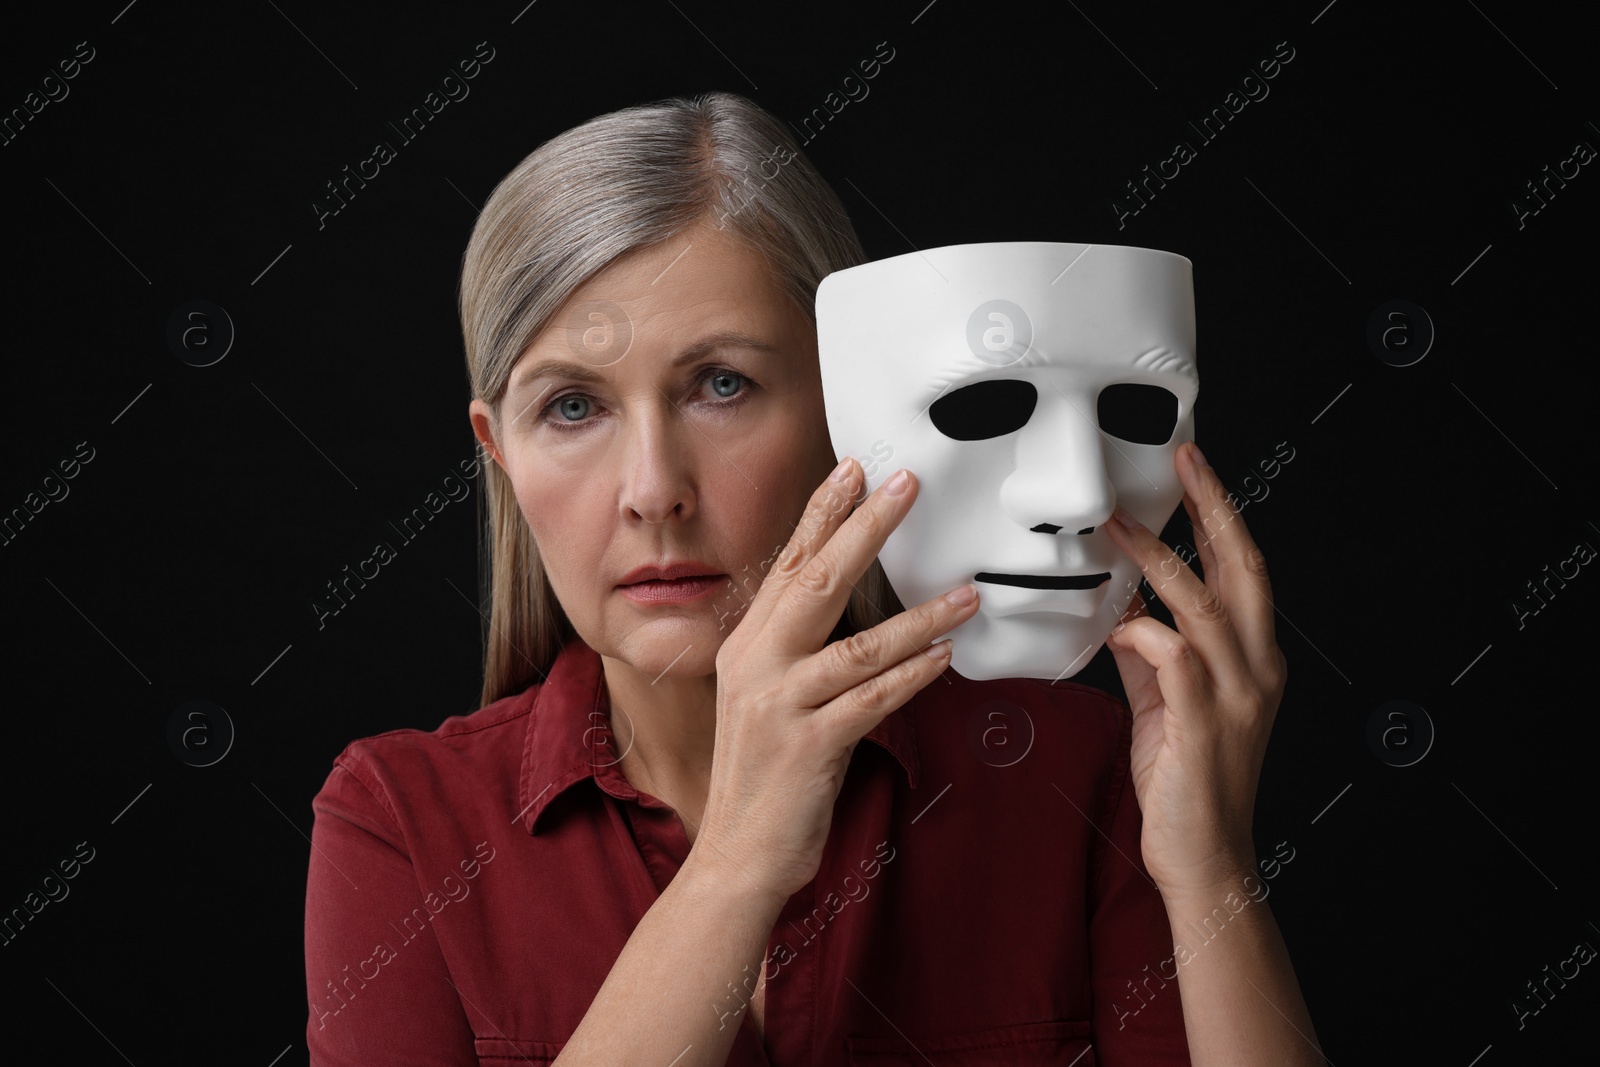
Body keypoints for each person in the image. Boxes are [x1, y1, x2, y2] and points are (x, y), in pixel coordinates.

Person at [303, 91, 1323, 1066]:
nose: (654, 491)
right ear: (501, 454)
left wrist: (1211, 871)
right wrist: (739, 861)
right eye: (572, 407)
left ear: (849, 412)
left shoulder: (1083, 772)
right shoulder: (398, 821)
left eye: (722, 385)